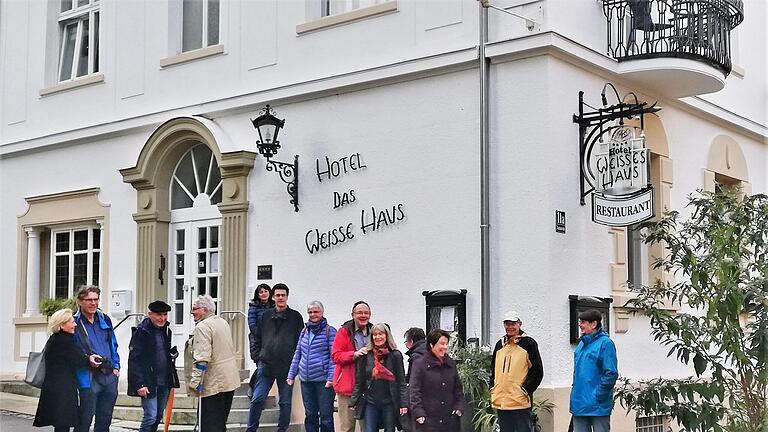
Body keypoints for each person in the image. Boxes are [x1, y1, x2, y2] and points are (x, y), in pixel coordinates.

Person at [247, 283, 304, 432]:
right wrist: (258, 356)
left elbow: (301, 341)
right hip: (266, 365)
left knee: (285, 403)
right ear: (273, 297)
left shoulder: (296, 317)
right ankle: (251, 429)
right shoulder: (265, 316)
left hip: (287, 367)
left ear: (287, 296)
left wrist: (296, 364)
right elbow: (256, 336)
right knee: (257, 399)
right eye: (277, 295)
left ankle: (282, 430)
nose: (280, 298)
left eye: (283, 295)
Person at [34, 309, 101, 432]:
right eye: (71, 322)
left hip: (56, 388)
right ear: (61, 325)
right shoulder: (64, 341)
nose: (75, 324)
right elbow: (80, 359)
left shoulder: (55, 339)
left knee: (60, 424)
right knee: (62, 424)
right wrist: (91, 359)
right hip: (62, 390)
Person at [184, 295, 240, 432]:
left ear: (205, 309)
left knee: (209, 425)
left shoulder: (203, 327)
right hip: (228, 380)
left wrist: (195, 382)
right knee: (220, 422)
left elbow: (202, 358)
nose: (192, 312)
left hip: (213, 383)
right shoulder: (222, 322)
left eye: (194, 309)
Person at [72, 285, 121, 432]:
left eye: (96, 299)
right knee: (84, 420)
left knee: (105, 420)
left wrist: (117, 366)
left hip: (109, 375)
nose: (93, 303)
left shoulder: (104, 319)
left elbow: (113, 344)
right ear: (80, 301)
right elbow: (71, 351)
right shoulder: (74, 322)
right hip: (88, 376)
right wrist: (87, 358)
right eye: (89, 300)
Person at [127, 301, 180, 432]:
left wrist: (171, 355)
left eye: (165, 315)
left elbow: (161, 352)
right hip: (148, 381)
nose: (162, 318)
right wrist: (139, 384)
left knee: (158, 416)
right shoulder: (141, 332)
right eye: (159, 315)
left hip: (164, 381)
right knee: (150, 416)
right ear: (150, 314)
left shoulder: (166, 331)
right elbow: (134, 360)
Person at [287, 301, 338, 432]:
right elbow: (298, 353)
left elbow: (334, 357)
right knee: (310, 416)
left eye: (316, 312)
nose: (313, 314)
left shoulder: (330, 331)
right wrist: (291, 374)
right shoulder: (304, 331)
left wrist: (330, 378)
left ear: (322, 312)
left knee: (326, 417)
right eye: (310, 312)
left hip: (323, 382)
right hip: (306, 381)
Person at [490, 311, 544, 432]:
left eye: (513, 323)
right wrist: (493, 387)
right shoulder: (500, 345)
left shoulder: (529, 343)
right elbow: (493, 370)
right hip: (502, 401)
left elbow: (537, 372)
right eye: (507, 324)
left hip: (520, 402)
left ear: (519, 324)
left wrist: (524, 390)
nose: (510, 327)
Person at [350, 323, 408, 432]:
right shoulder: (366, 355)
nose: (378, 337)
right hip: (370, 401)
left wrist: (403, 403)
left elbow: (401, 382)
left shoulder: (395, 355)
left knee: (389, 429)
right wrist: (354, 401)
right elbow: (359, 381)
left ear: (387, 336)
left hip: (389, 402)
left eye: (381, 334)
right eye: (374, 334)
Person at [569, 309, 618, 432]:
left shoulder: (606, 344)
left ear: (594, 324)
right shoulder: (582, 344)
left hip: (598, 405)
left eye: (583, 322)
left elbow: (611, 373)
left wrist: (598, 395)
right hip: (580, 403)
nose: (580, 324)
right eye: (580, 321)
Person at [409, 329, 465, 432]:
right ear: (431, 345)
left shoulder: (451, 364)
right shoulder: (419, 364)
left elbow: (458, 389)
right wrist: (418, 413)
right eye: (442, 344)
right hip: (428, 420)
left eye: (446, 344)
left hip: (449, 419)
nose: (445, 347)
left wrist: (459, 407)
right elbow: (414, 391)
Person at [332, 300, 373, 432]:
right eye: (359, 312)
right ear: (353, 315)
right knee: (347, 427)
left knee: (367, 427)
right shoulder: (344, 332)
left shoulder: (374, 331)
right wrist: (354, 354)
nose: (363, 315)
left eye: (366, 313)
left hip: (368, 388)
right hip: (347, 387)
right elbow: (335, 356)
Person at [247, 284, 273, 395]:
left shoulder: (273, 306)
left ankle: (256, 389)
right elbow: (252, 325)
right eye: (261, 292)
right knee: (260, 365)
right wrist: (263, 335)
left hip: (271, 341)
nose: (263, 294)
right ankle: (255, 390)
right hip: (258, 341)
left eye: (265, 291)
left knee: (266, 366)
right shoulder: (253, 307)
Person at [402, 327, 427, 432]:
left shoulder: (416, 356)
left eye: (405, 341)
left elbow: (413, 380)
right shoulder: (432, 351)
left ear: (411, 341)